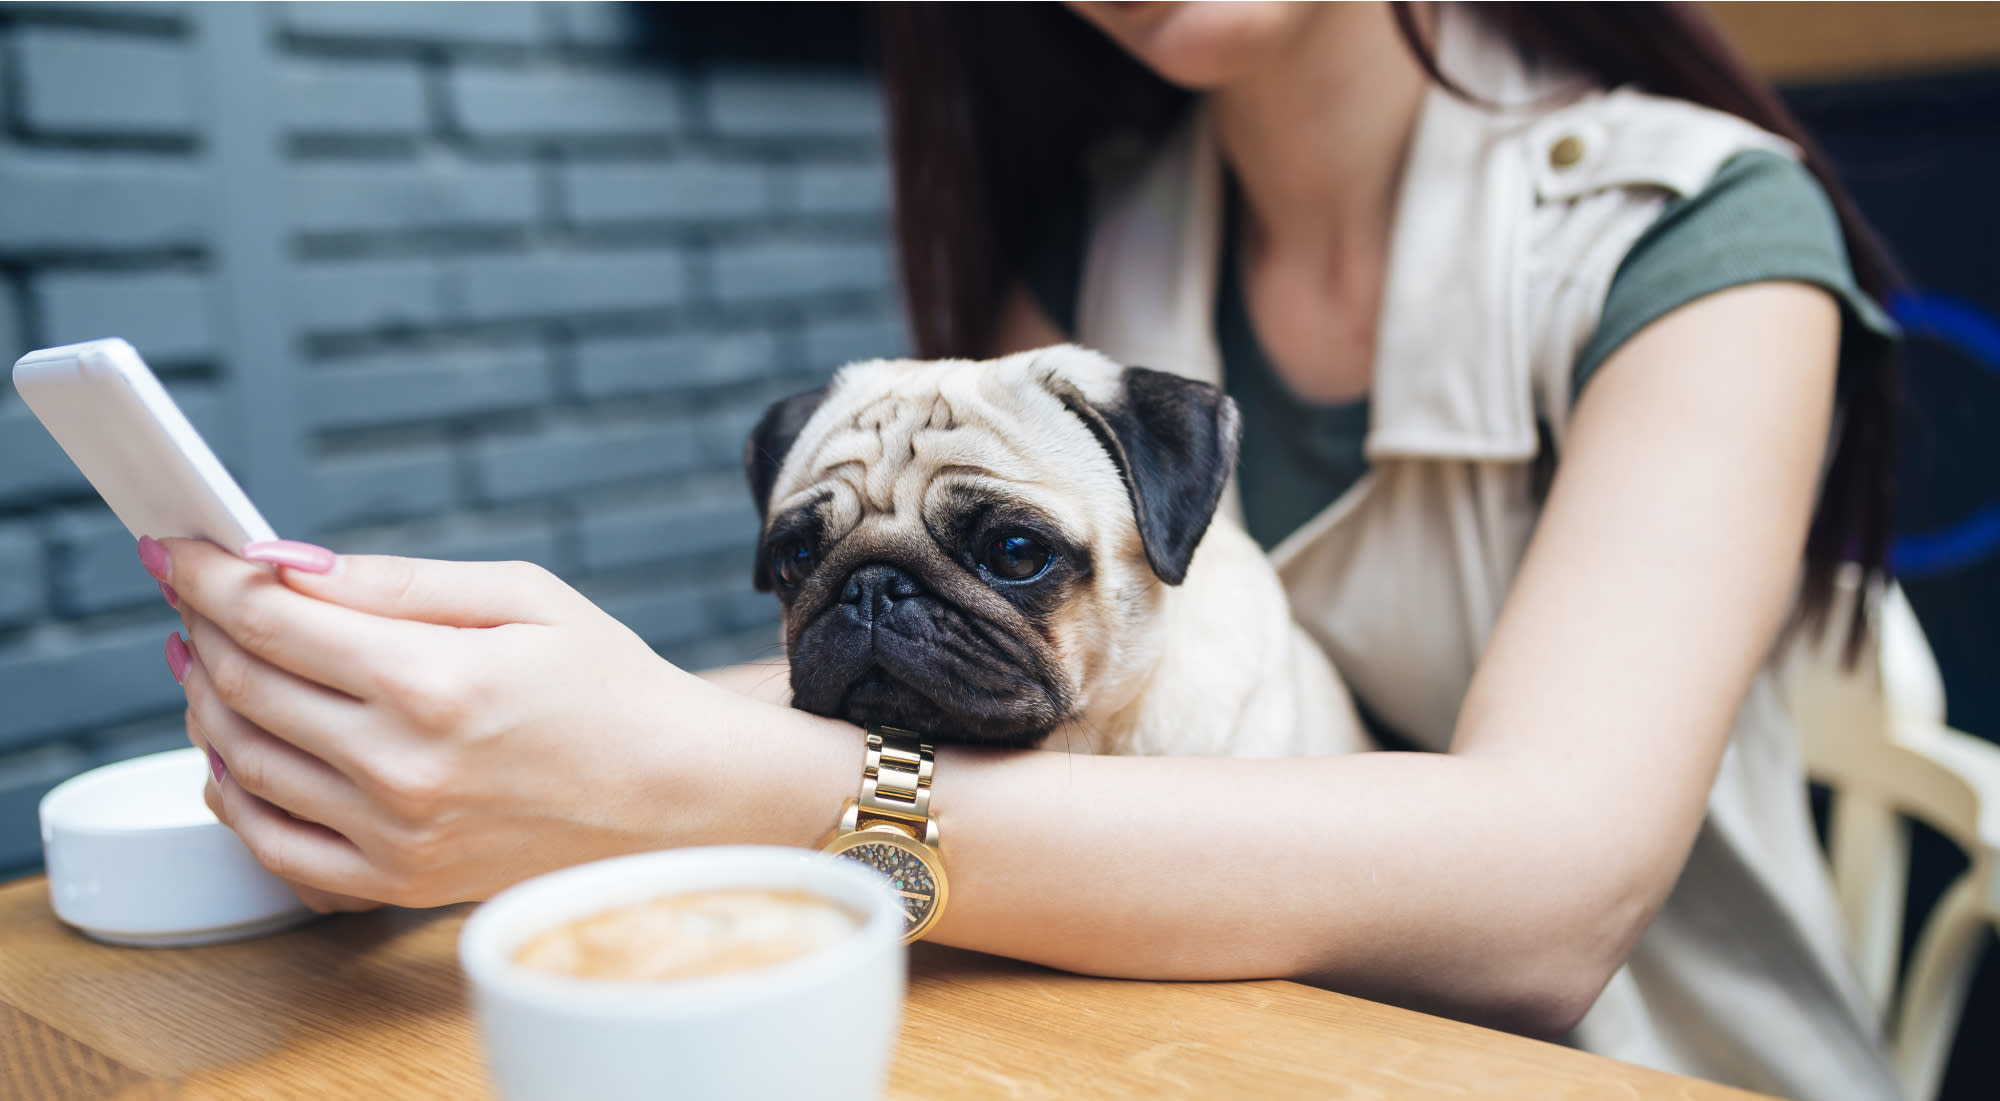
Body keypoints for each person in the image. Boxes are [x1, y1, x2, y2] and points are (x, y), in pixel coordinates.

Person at [148, 4, 1905, 1097]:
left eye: (1012, 541)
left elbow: (1551, 892)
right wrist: (453, 733)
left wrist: (683, 774)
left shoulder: (1697, 232)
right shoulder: (1100, 252)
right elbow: (903, 662)